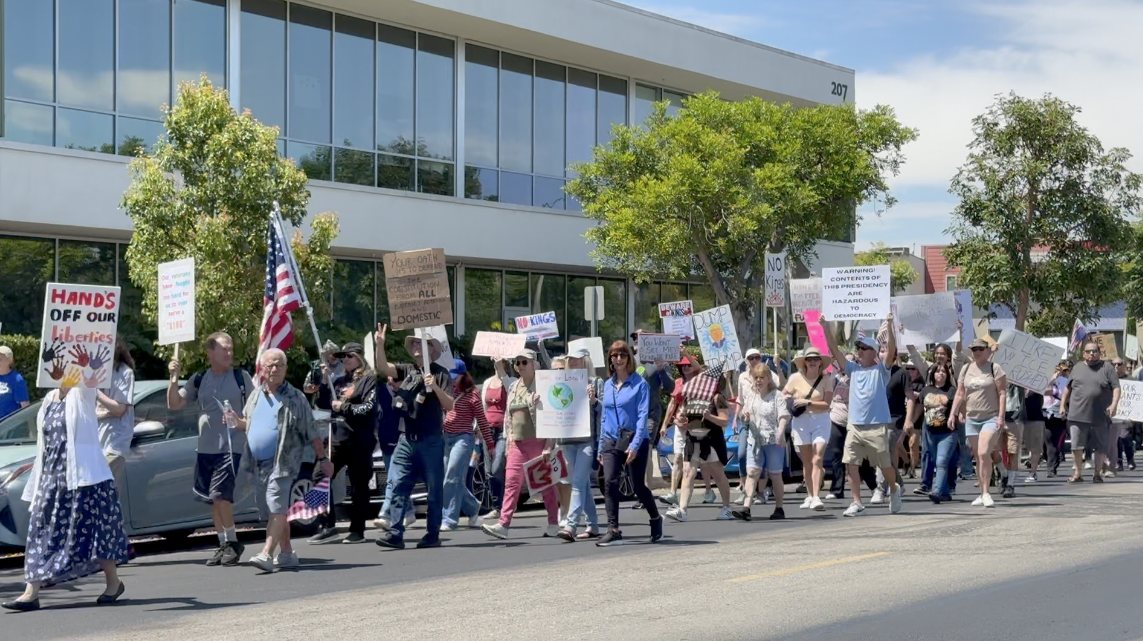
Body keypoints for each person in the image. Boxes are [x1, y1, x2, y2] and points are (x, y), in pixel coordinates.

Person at [2, 385, 128, 611]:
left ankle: (113, 582)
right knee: (40, 530)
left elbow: (91, 377)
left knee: (97, 531)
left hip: (85, 476)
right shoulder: (50, 399)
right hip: (52, 477)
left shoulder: (83, 392)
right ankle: (31, 592)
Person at [234, 348, 328, 572]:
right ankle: (286, 553)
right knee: (270, 510)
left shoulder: (296, 397)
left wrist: (323, 458)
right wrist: (234, 422)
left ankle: (266, 554)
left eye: (278, 365)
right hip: (258, 463)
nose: (274, 369)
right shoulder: (256, 395)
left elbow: (312, 431)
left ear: (286, 369)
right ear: (263, 369)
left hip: (284, 462)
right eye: (269, 365)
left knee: (276, 504)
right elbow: (249, 423)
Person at [167, 332, 254, 566]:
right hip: (206, 449)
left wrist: (240, 422)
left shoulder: (241, 377)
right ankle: (223, 543)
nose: (229, 353)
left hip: (231, 447)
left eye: (231, 348)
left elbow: (256, 413)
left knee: (220, 496)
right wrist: (173, 378)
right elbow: (174, 403)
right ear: (210, 352)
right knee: (212, 500)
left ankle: (233, 541)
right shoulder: (199, 378)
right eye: (224, 348)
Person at [374, 325, 453, 550]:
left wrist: (435, 388)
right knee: (398, 483)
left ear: (431, 349)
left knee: (434, 488)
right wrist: (380, 345)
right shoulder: (406, 369)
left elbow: (450, 405)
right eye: (415, 343)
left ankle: (432, 533)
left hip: (431, 440)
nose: (416, 346)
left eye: (421, 343)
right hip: (406, 439)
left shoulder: (441, 373)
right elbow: (383, 367)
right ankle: (395, 531)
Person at [822, 312, 904, 517]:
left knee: (885, 465)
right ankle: (857, 502)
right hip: (854, 425)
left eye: (863, 348)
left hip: (876, 426)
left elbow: (892, 349)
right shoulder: (852, 369)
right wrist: (825, 326)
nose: (858, 351)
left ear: (873, 352)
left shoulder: (881, 370)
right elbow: (834, 348)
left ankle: (893, 490)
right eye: (858, 348)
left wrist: (890, 325)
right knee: (851, 465)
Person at [481, 349, 561, 539]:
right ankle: (503, 524)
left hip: (538, 442)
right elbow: (508, 417)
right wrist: (508, 441)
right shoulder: (514, 386)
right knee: (511, 484)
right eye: (517, 363)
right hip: (516, 443)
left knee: (546, 485)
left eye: (524, 362)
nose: (520, 366)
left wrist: (549, 445)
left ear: (535, 364)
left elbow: (551, 418)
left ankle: (553, 523)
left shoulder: (543, 386)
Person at [596, 341, 663, 546]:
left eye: (622, 355)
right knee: (609, 482)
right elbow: (605, 417)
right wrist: (601, 445)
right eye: (614, 356)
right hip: (611, 439)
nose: (618, 359)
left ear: (628, 358)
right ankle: (613, 528)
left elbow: (643, 416)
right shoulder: (607, 385)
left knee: (637, 486)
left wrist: (634, 445)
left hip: (635, 437)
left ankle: (655, 517)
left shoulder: (639, 384)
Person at [310, 342, 377, 544]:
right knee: (319, 476)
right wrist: (323, 381)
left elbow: (367, 409)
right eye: (342, 356)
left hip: (359, 440)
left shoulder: (369, 380)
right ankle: (326, 524)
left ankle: (357, 530)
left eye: (349, 356)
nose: (345, 360)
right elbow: (322, 405)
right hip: (338, 439)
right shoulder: (338, 382)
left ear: (359, 357)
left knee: (359, 485)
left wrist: (344, 407)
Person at [665, 362, 735, 524]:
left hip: (710, 440)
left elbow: (724, 421)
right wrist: (680, 419)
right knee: (688, 473)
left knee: (718, 475)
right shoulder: (690, 395)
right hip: (692, 438)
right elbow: (681, 414)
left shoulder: (718, 398)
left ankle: (726, 507)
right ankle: (682, 510)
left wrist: (709, 416)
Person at [949, 338, 1007, 507]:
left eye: (981, 348)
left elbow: (1002, 393)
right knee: (978, 457)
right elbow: (960, 394)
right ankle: (982, 492)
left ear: (988, 350)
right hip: (972, 418)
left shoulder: (994, 368)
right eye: (974, 349)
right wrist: (953, 413)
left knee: (983, 453)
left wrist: (1001, 417)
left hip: (991, 416)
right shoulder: (966, 369)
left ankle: (987, 493)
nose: (977, 351)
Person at [441, 358, 495, 532]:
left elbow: (482, 420)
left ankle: (449, 519)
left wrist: (490, 444)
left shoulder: (473, 394)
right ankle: (473, 507)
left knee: (451, 477)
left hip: (463, 439)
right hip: (446, 438)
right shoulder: (447, 391)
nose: (451, 380)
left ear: (463, 375)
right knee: (451, 479)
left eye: (455, 377)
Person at [733, 362, 791, 521]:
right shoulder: (751, 395)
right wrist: (744, 415)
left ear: (768, 378)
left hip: (773, 440)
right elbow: (746, 413)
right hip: (755, 440)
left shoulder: (776, 395)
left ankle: (779, 508)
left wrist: (780, 431)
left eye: (762, 377)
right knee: (752, 473)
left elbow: (784, 416)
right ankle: (746, 508)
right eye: (756, 377)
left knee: (775, 474)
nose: (758, 380)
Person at [95, 337, 135, 557]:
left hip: (115, 443)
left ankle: (114, 546)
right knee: (109, 496)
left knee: (104, 493)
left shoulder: (124, 373)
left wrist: (96, 392)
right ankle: (123, 543)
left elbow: (119, 409)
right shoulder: (97, 372)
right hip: (97, 444)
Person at [556, 349, 602, 541]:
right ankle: (593, 525)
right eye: (570, 359)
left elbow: (604, 409)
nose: (573, 362)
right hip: (568, 439)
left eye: (576, 359)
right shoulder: (561, 381)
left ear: (585, 360)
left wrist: (593, 400)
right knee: (581, 483)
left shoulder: (595, 382)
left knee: (577, 482)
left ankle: (571, 525)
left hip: (586, 439)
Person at [659, 354, 715, 507]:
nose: (685, 368)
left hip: (696, 427)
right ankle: (673, 493)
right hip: (680, 425)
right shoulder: (679, 382)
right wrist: (664, 424)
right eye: (682, 366)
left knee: (701, 461)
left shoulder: (701, 381)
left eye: (688, 365)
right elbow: (672, 404)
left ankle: (709, 490)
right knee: (677, 458)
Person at [1060, 341, 1120, 484]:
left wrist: (1114, 405)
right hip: (1077, 414)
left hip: (1100, 415)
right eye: (1089, 351)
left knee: (1101, 446)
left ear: (1099, 352)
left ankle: (1097, 473)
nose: (1092, 354)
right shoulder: (1077, 367)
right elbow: (1068, 388)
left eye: (1095, 351)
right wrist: (1062, 405)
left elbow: (1116, 388)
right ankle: (1078, 474)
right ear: (1084, 354)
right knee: (1076, 445)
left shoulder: (1107, 368)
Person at [783, 347, 833, 511]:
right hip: (801, 420)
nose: (812, 362)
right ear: (805, 361)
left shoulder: (826, 379)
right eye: (809, 359)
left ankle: (816, 496)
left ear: (820, 362)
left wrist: (807, 402)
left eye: (815, 359)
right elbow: (784, 394)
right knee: (807, 461)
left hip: (821, 419)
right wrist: (791, 400)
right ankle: (810, 495)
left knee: (817, 458)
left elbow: (827, 404)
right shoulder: (795, 378)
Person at [908, 362, 957, 502]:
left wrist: (959, 416)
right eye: (938, 371)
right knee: (935, 460)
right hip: (929, 431)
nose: (940, 373)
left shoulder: (952, 390)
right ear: (932, 374)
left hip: (947, 432)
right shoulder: (926, 390)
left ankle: (936, 490)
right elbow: (920, 408)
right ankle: (945, 492)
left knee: (942, 461)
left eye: (943, 371)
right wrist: (911, 421)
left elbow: (959, 406)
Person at [479, 358, 516, 522]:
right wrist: (478, 427)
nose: (496, 363)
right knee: (488, 470)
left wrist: (502, 371)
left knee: (496, 467)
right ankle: (497, 507)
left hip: (503, 430)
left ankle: (503, 506)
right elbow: (482, 406)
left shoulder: (512, 381)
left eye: (500, 362)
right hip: (487, 429)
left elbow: (511, 389)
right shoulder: (487, 382)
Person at [1043, 362, 1070, 477]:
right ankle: (1050, 461)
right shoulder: (1046, 381)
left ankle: (1051, 469)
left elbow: (1067, 395)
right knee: (1046, 444)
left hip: (1060, 416)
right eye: (1057, 370)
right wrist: (1051, 380)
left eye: (1063, 371)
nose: (1060, 373)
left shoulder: (1066, 383)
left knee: (1055, 445)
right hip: (1046, 415)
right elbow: (1042, 390)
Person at [0, 345, 30, 421]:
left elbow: (25, 406)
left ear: (9, 361)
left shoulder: (17, 380)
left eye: (0, 359)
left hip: (8, 428)